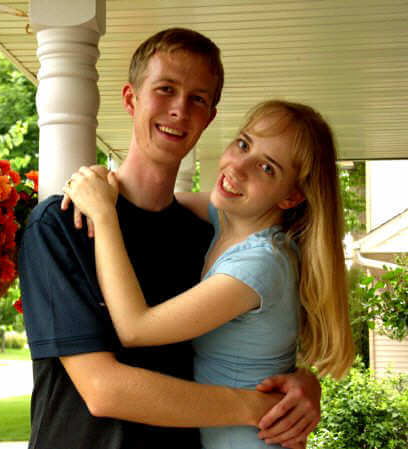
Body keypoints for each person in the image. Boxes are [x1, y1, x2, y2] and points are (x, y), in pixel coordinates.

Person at [19, 28, 321, 449]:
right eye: (165, 90)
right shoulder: (63, 223)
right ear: (130, 99)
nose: (180, 109)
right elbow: (103, 390)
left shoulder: (209, 237)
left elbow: (256, 334)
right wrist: (258, 406)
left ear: (209, 117)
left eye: (198, 98)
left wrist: (303, 385)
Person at [63, 99, 355, 448]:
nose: (238, 167)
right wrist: (100, 180)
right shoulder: (228, 220)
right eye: (244, 144)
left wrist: (103, 214)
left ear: (292, 196)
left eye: (267, 168)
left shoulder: (260, 264)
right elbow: (154, 200)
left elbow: (135, 328)